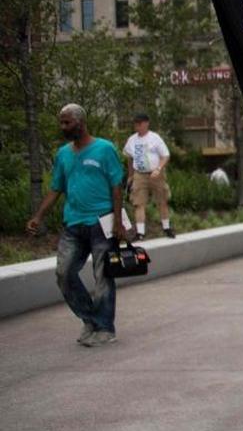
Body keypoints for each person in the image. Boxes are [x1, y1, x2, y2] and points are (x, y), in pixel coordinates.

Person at [26, 104, 127, 347]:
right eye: (61, 122)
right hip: (73, 223)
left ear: (80, 122)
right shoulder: (63, 154)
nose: (63, 127)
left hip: (101, 221)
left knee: (102, 276)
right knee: (64, 273)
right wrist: (38, 216)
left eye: (67, 122)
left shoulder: (104, 149)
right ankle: (90, 319)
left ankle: (104, 328)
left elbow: (116, 185)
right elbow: (55, 188)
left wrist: (118, 222)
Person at [123, 112, 175, 240]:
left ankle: (166, 227)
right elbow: (129, 157)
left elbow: (165, 155)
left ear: (146, 123)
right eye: (136, 124)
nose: (137, 127)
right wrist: (130, 175)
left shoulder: (155, 138)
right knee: (139, 203)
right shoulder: (132, 140)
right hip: (140, 174)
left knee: (162, 201)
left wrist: (159, 168)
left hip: (155, 173)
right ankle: (140, 232)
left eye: (140, 124)